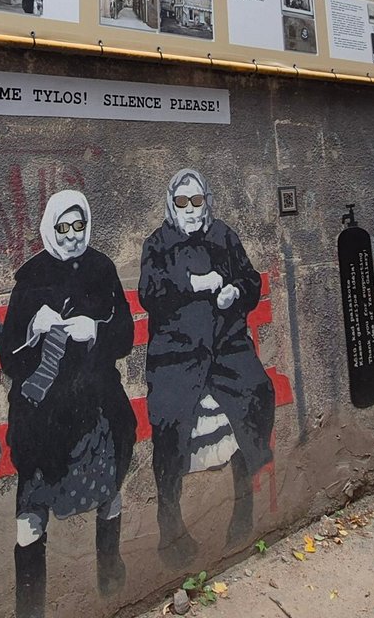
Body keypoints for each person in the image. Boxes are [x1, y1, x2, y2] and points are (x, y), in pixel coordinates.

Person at [0, 192, 136, 615]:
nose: (73, 236)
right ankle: (31, 603)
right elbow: (8, 360)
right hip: (45, 412)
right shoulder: (31, 279)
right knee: (32, 508)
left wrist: (94, 329)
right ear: (50, 228)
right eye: (64, 228)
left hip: (95, 400)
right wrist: (33, 334)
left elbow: (126, 336)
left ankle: (110, 569)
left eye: (79, 227)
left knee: (111, 482)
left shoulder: (102, 269)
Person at [139, 169, 274, 563]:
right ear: (171, 205)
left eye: (197, 202)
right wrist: (193, 284)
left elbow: (251, 280)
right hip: (177, 355)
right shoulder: (157, 244)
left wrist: (236, 290)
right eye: (182, 203)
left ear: (207, 202)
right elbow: (150, 293)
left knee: (255, 394)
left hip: (226, 349)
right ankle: (170, 523)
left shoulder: (224, 236)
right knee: (169, 421)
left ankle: (243, 507)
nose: (191, 211)